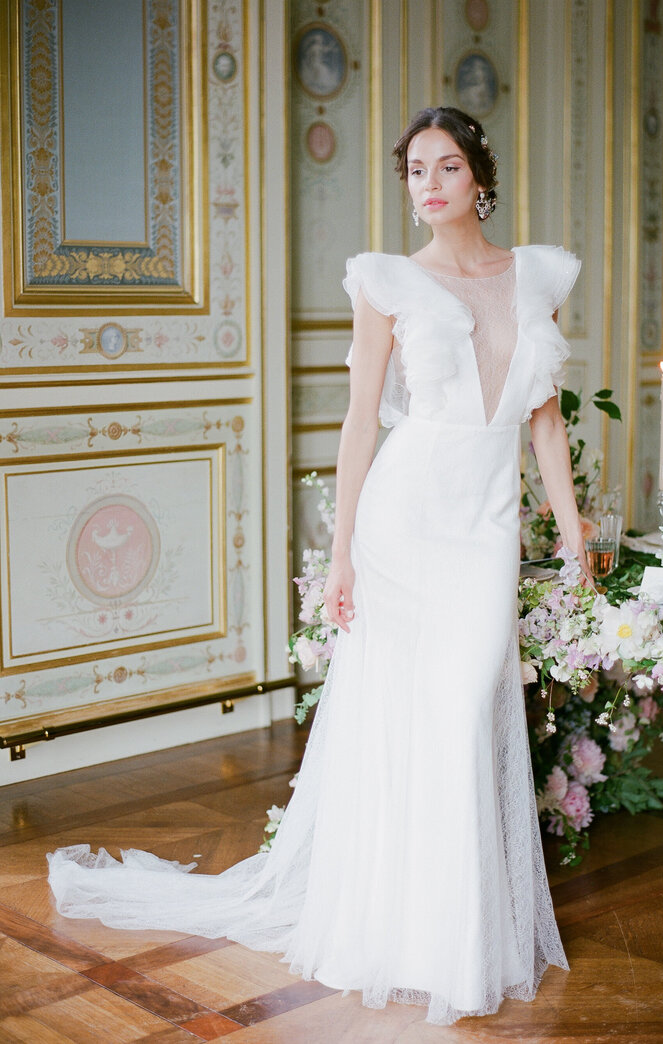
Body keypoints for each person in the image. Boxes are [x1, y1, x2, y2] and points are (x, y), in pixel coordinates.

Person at [47, 106, 589, 1027]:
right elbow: (358, 419)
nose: (429, 184)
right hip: (404, 523)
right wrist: (339, 552)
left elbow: (543, 420)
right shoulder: (386, 284)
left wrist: (572, 535)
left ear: (479, 178)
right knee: (419, 726)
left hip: (488, 528)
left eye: (446, 166)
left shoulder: (535, 274)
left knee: (464, 718)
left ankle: (458, 938)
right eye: (414, 170)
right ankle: (418, 942)